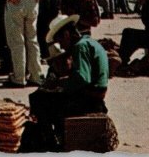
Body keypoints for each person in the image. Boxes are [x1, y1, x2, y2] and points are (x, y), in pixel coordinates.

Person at [28, 13, 109, 151]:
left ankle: (51, 143)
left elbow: (82, 78)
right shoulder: (89, 42)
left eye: (60, 40)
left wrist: (59, 84)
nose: (62, 46)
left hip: (90, 99)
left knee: (38, 99)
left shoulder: (80, 47)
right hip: (93, 95)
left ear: (66, 34)